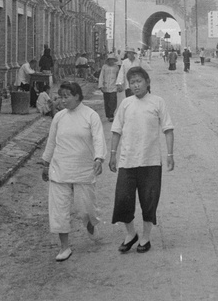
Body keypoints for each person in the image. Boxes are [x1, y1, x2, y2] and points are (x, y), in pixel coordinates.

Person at [109, 66, 174, 254]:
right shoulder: (126, 104)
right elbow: (116, 130)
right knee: (122, 200)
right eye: (132, 82)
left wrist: (170, 155)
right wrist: (113, 154)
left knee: (149, 200)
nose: (135, 85)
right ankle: (131, 234)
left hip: (150, 161)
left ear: (147, 82)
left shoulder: (157, 102)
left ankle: (145, 237)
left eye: (139, 81)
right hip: (127, 160)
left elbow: (168, 129)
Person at [41, 81, 107, 262]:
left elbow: (99, 139)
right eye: (60, 97)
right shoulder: (59, 117)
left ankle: (90, 224)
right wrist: (45, 163)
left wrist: (99, 158)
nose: (62, 100)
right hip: (59, 169)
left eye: (66, 96)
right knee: (59, 210)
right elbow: (52, 142)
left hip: (83, 169)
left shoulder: (90, 116)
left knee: (85, 209)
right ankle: (64, 247)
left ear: (77, 96)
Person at [98, 53, 119, 121]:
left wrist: (119, 84)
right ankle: (108, 115)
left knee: (113, 101)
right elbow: (101, 76)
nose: (111, 61)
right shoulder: (104, 67)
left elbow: (118, 77)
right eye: (110, 60)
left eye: (112, 60)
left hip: (114, 86)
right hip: (106, 86)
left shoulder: (116, 67)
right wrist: (101, 85)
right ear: (108, 60)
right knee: (107, 101)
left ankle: (111, 114)